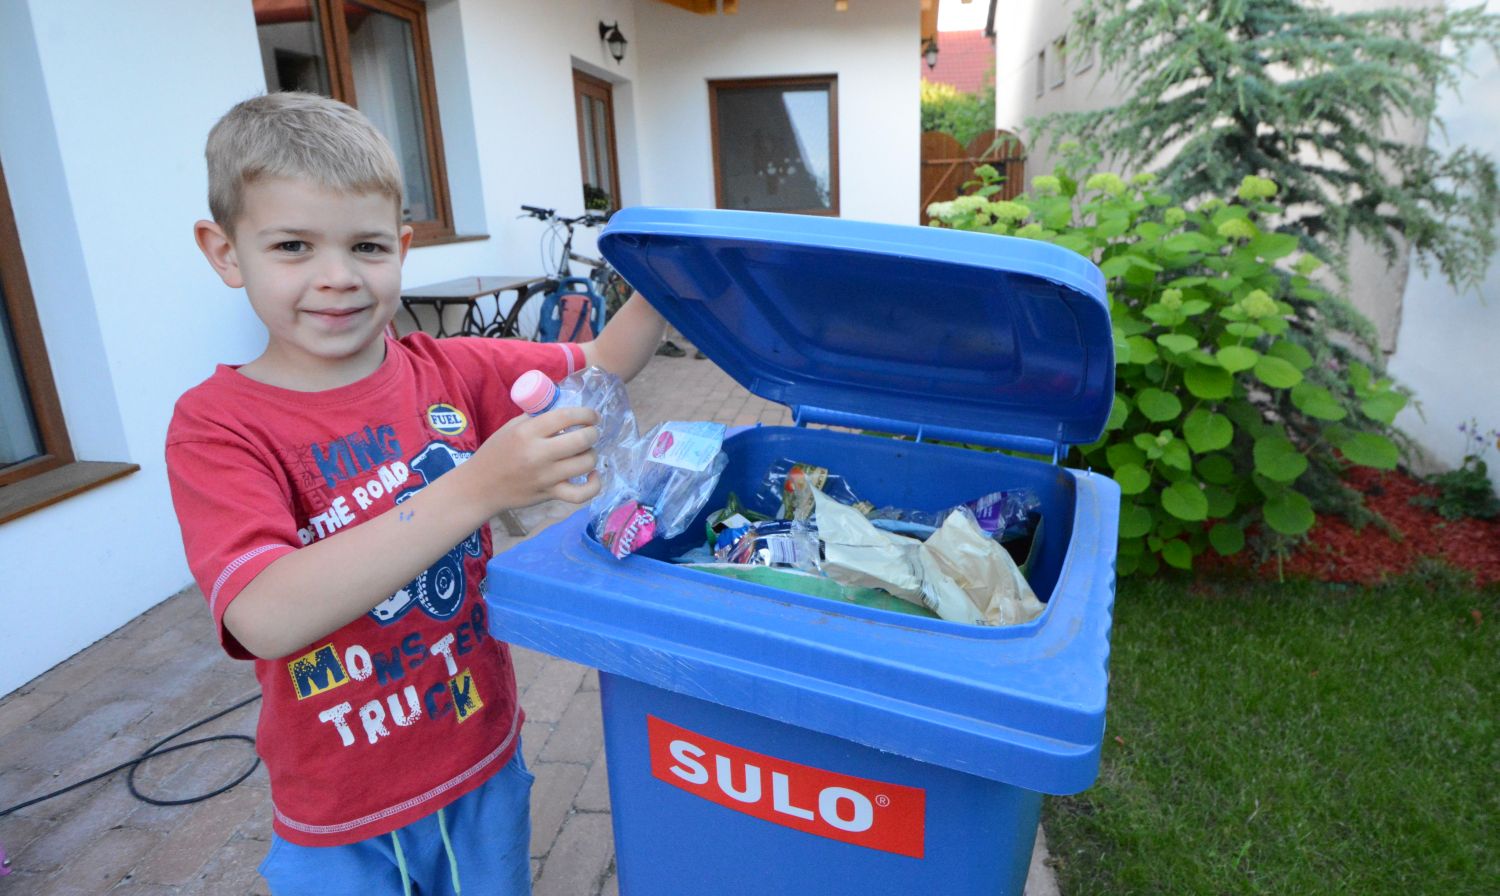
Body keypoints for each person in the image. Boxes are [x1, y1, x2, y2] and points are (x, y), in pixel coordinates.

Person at [165, 92, 666, 895]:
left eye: (366, 246)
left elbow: (604, 361)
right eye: (292, 246)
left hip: (480, 763)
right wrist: (478, 487)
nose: (337, 278)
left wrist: (670, 278)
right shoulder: (217, 425)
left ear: (401, 248)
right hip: (341, 814)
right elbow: (262, 615)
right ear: (225, 253)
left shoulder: (450, 369)